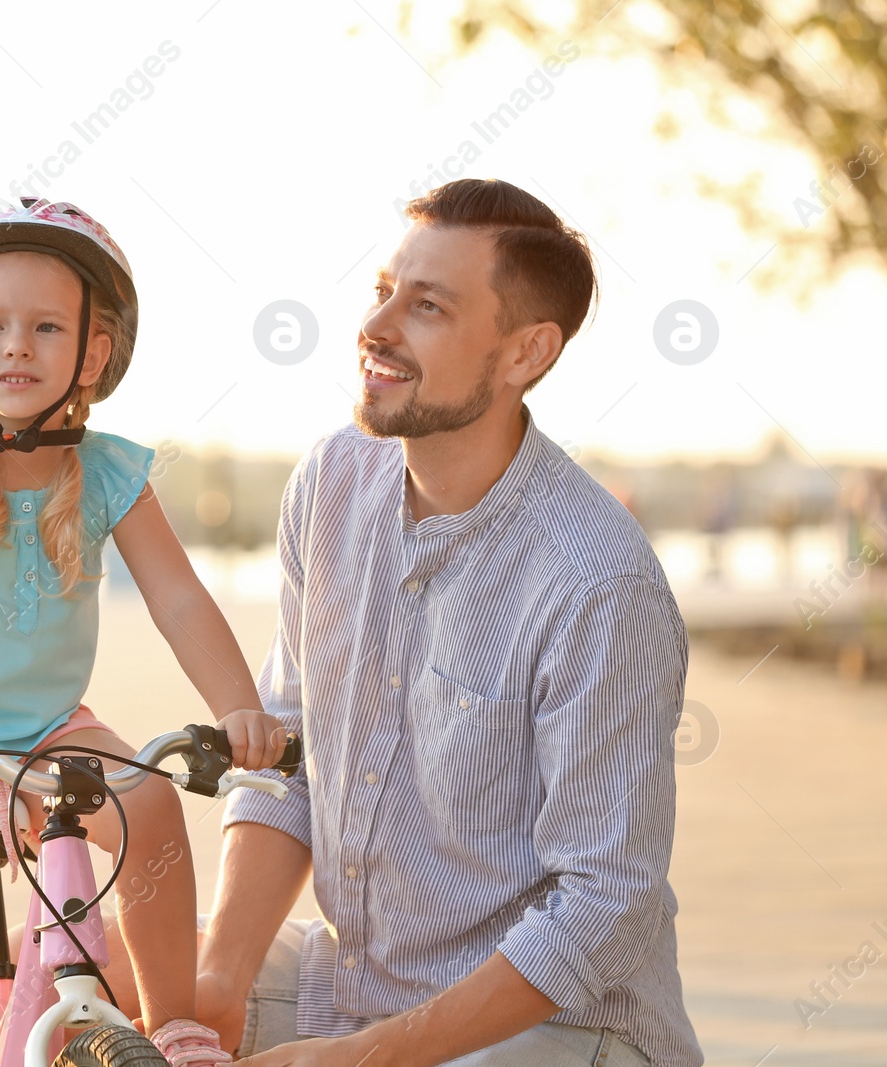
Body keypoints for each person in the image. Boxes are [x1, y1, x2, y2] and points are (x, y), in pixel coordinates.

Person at [190, 179, 703, 1066]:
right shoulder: (331, 485)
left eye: (425, 306)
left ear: (524, 354)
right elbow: (288, 762)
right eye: (383, 290)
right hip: (354, 980)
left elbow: (604, 903)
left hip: (564, 1030)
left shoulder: (598, 584)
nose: (377, 327)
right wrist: (214, 989)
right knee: (81, 977)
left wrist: (364, 1057)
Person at [0, 197, 285, 1067]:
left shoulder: (109, 471)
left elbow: (180, 598)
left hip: (44, 729)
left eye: (45, 326)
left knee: (147, 800)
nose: (17, 345)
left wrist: (239, 708)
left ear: (93, 350)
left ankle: (173, 1024)